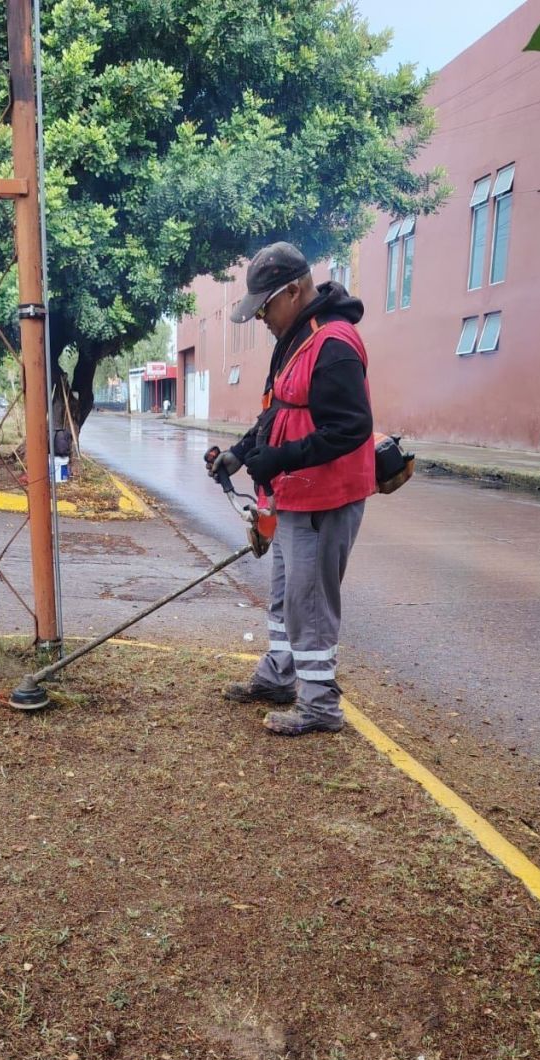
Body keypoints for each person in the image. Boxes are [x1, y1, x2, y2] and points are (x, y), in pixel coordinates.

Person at [207, 242, 375, 737]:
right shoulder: (297, 339)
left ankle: (320, 706)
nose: (260, 317)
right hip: (294, 495)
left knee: (310, 601)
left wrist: (282, 458)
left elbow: (350, 428)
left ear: (295, 290)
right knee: (284, 594)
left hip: (325, 498)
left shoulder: (332, 342)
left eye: (265, 306)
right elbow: (279, 410)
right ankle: (279, 676)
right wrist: (240, 451)